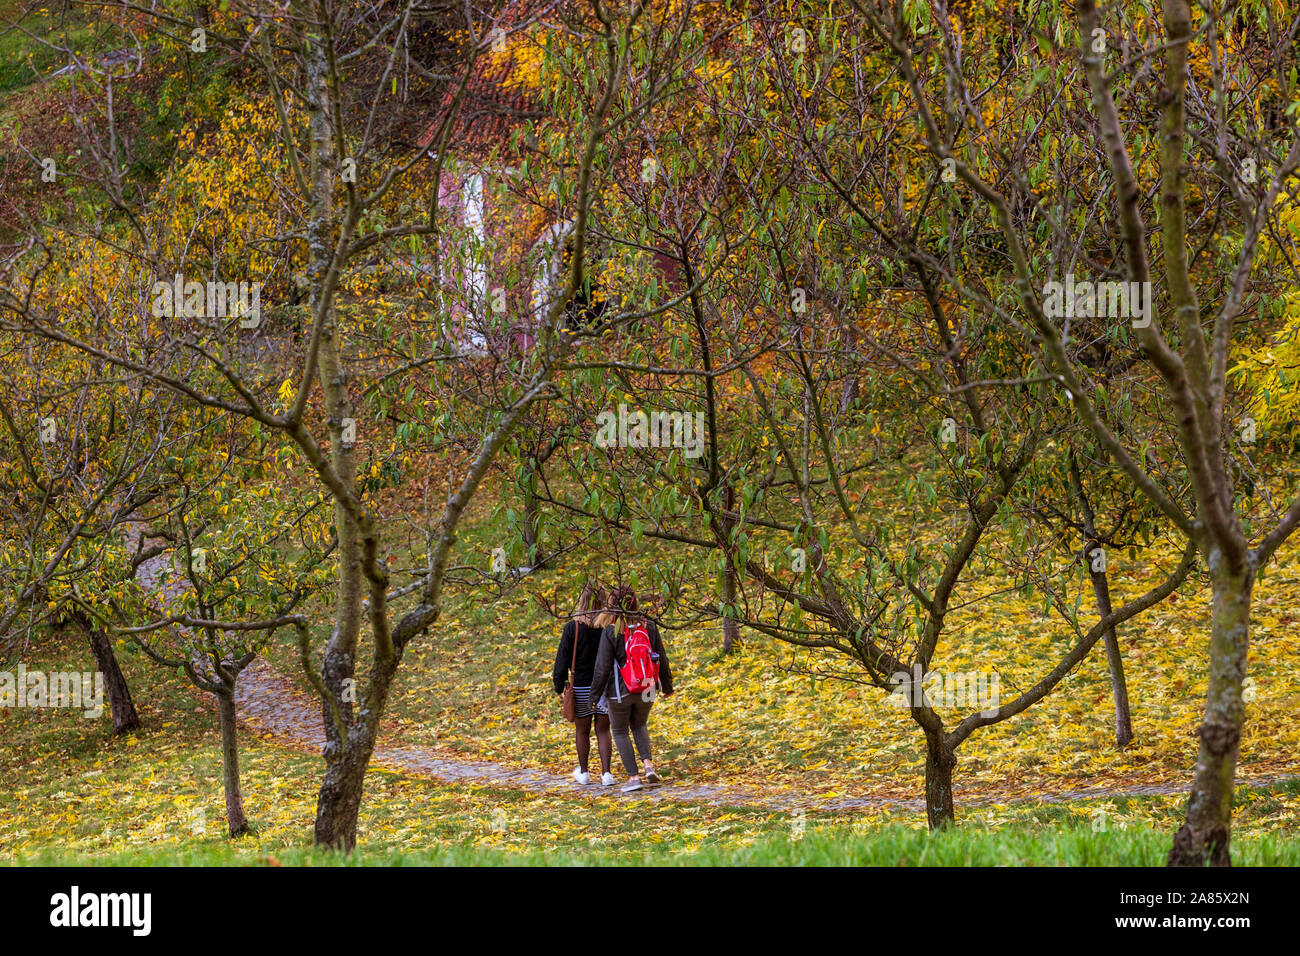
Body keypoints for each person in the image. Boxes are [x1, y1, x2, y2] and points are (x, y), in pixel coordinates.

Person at [590, 585, 673, 793]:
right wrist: (667, 686)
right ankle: (648, 766)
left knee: (619, 731)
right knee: (640, 725)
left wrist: (594, 696)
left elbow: (602, 667)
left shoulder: (612, 631)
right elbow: (661, 658)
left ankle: (634, 777)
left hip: (621, 691)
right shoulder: (649, 626)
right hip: (647, 687)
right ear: (635, 601)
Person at [552, 581, 614, 786]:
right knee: (604, 730)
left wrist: (559, 684)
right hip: (604, 685)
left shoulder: (573, 628)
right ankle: (606, 774)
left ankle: (585, 772)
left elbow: (562, 659)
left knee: (582, 730)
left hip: (580, 687)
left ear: (583, 601)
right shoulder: (608, 627)